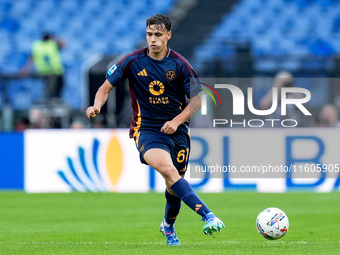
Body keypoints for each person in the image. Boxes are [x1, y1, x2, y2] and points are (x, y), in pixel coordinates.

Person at [86, 14, 224, 246]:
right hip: (146, 130)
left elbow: (197, 103)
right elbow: (105, 88)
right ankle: (208, 215)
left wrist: (176, 121)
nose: (153, 39)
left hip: (178, 132)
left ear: (168, 35)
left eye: (158, 35)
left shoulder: (181, 64)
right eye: (149, 34)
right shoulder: (132, 61)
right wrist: (96, 105)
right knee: (169, 172)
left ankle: (168, 226)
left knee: (174, 183)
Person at [20, 33, 66, 98]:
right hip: (55, 71)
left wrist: (26, 68)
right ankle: (50, 103)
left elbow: (32, 58)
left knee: (48, 88)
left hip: (42, 71)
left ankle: (48, 102)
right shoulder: (52, 44)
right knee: (53, 90)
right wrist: (59, 38)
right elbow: (63, 45)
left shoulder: (37, 46)